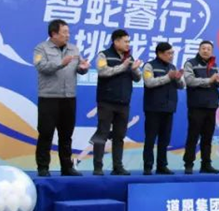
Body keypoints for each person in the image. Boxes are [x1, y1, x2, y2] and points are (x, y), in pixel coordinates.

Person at [34, 19, 90, 177]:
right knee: (46, 133)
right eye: (64, 32)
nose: (68, 35)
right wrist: (61, 63)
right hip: (49, 98)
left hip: (69, 97)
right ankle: (43, 167)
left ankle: (67, 167)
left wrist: (83, 68)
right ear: (54, 34)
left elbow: (79, 68)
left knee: (66, 135)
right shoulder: (41, 48)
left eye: (68, 32)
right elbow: (41, 67)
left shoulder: (73, 49)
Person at [91, 29, 142, 176]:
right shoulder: (104, 55)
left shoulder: (129, 57)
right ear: (116, 41)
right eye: (125, 41)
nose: (128, 44)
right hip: (106, 101)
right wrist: (123, 66)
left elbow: (137, 78)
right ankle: (98, 167)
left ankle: (117, 166)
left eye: (128, 42)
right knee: (102, 134)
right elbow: (102, 72)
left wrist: (134, 69)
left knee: (119, 136)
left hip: (123, 102)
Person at [142, 42, 184, 175]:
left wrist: (178, 79)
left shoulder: (172, 67)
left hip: (169, 107)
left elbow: (181, 86)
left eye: (172, 53)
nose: (171, 56)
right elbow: (149, 82)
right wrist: (168, 77)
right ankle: (148, 166)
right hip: (153, 108)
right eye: (168, 53)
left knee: (165, 139)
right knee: (150, 139)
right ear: (159, 53)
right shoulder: (149, 66)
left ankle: (162, 166)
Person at [183, 40, 219, 174]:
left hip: (211, 105)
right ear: (199, 50)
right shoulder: (190, 63)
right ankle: (189, 164)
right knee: (193, 136)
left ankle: (206, 164)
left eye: (208, 49)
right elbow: (189, 81)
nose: (206, 51)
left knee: (208, 137)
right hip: (197, 105)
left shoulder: (214, 65)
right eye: (203, 48)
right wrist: (209, 80)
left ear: (212, 51)